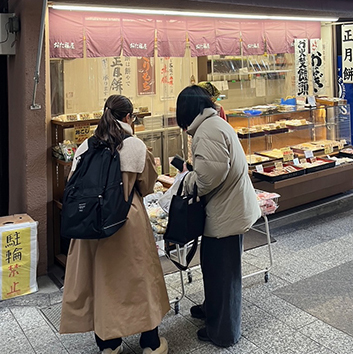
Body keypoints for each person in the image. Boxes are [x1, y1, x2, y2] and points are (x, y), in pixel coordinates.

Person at [60, 95, 170, 354]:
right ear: (129, 118)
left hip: (91, 225)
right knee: (139, 280)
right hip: (126, 222)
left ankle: (108, 345)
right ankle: (151, 344)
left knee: (101, 282)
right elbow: (146, 185)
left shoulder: (85, 146)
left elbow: (72, 181)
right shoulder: (135, 146)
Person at [176, 85, 261, 348]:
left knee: (223, 274)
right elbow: (214, 167)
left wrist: (187, 180)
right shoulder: (214, 124)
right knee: (215, 268)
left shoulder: (208, 130)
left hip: (226, 213)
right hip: (228, 208)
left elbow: (209, 176)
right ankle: (212, 309)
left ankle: (224, 332)